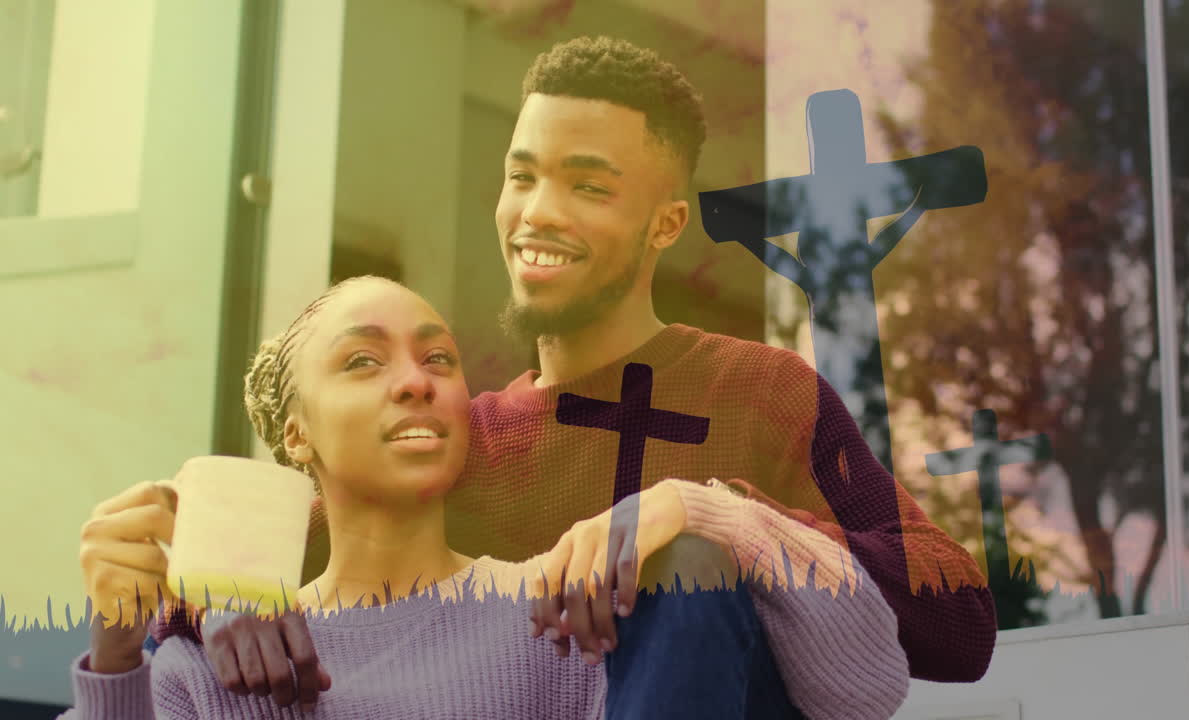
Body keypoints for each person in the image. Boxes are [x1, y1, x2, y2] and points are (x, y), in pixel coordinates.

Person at [177, 34, 996, 712]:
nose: (537, 213)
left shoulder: (765, 394)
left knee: (690, 566)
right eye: (522, 176)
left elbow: (960, 625)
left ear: (665, 224)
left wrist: (713, 514)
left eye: (589, 186)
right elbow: (288, 570)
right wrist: (225, 603)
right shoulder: (465, 438)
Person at [64, 276, 909, 719]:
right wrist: (113, 653)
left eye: (438, 360)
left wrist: (705, 511)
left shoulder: (560, 613)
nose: (414, 383)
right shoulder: (224, 664)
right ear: (295, 435)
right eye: (364, 362)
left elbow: (867, 683)